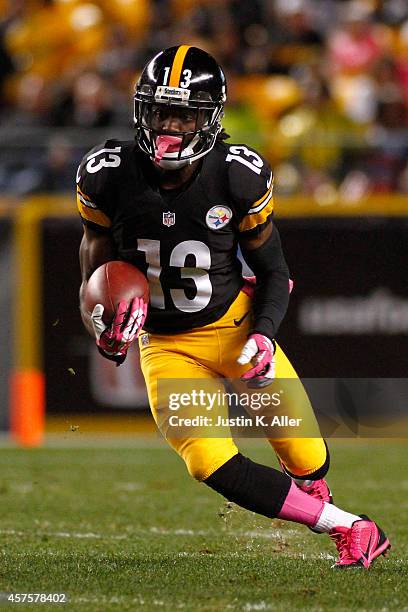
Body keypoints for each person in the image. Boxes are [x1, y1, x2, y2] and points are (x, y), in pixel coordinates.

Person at [76, 45, 390, 568]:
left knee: (307, 458)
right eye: (160, 111)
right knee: (208, 460)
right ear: (141, 111)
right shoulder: (107, 174)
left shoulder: (238, 174)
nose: (170, 127)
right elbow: (93, 275)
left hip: (236, 326)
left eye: (186, 114)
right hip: (168, 344)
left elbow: (275, 271)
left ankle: (315, 498)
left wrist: (264, 335)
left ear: (212, 119)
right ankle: (351, 528)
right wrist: (101, 327)